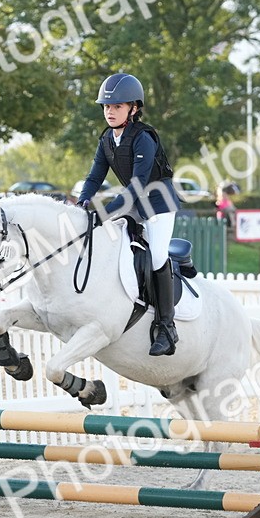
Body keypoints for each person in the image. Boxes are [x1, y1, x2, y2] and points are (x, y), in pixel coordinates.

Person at [77, 72, 181, 356]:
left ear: (133, 108)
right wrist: (83, 202)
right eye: (107, 107)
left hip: (158, 205)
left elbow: (136, 185)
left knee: (158, 255)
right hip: (135, 203)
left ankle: (166, 327)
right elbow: (94, 177)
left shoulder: (143, 138)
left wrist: (105, 212)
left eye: (117, 106)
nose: (110, 111)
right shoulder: (107, 140)